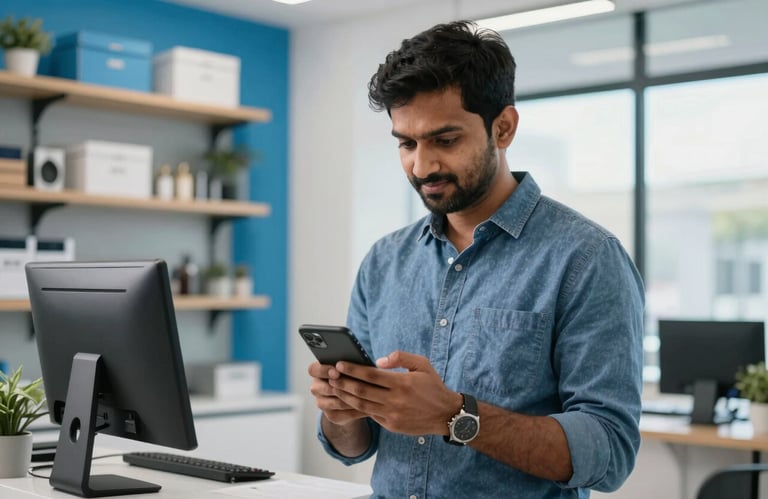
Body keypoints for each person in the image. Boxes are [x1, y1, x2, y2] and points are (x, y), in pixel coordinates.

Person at [306, 20, 644, 498]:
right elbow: (353, 447)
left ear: (503, 128)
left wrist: (454, 416)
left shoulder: (586, 259)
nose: (422, 167)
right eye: (407, 143)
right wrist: (342, 412)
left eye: (445, 140)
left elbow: (609, 454)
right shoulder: (384, 262)